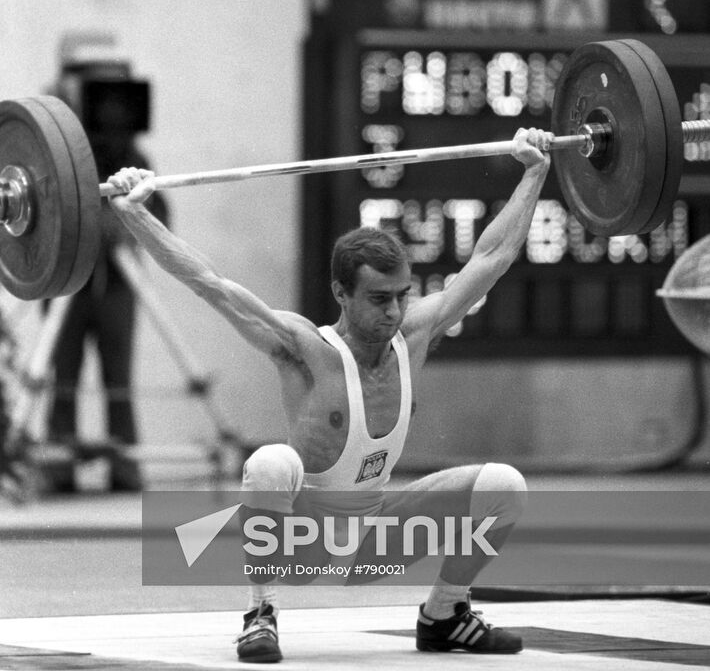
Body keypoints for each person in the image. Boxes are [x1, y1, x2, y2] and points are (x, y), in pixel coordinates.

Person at [107, 127, 552, 661]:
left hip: (374, 545)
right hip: (301, 549)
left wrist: (534, 172)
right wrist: (135, 213)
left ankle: (445, 615)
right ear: (341, 293)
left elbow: (491, 257)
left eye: (401, 296)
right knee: (270, 462)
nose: (393, 312)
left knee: (504, 485)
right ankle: (260, 615)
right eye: (378, 299)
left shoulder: (414, 333)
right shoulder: (302, 349)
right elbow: (209, 282)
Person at [46, 134, 169, 493]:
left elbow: (160, 215)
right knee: (62, 378)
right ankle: (57, 469)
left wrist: (128, 223)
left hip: (116, 287)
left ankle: (125, 469)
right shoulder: (61, 156)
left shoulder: (132, 157)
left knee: (119, 379)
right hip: (67, 282)